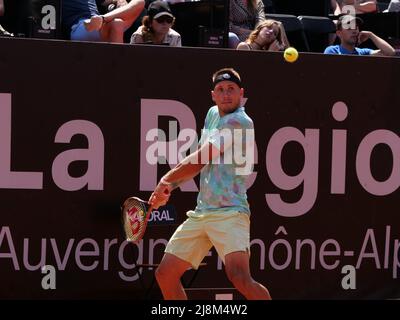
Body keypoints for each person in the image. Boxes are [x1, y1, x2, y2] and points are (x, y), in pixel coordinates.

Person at [148, 67, 271, 300]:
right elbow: (201, 161)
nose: (226, 94)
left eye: (231, 90)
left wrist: (166, 180)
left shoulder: (240, 122)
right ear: (213, 95)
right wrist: (171, 187)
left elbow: (201, 158)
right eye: (221, 90)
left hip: (230, 212)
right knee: (165, 274)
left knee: (239, 277)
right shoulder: (213, 114)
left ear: (241, 93)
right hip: (202, 212)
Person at [62, 0, 144, 43]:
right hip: (81, 26)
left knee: (140, 2)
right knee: (116, 24)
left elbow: (107, 1)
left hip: (99, 22)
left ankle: (103, 18)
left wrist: (119, 1)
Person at [324, 15, 396, 56]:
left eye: (356, 28)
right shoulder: (332, 51)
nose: (354, 31)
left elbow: (390, 53)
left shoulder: (363, 52)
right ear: (339, 33)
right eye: (349, 28)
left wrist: (371, 35)